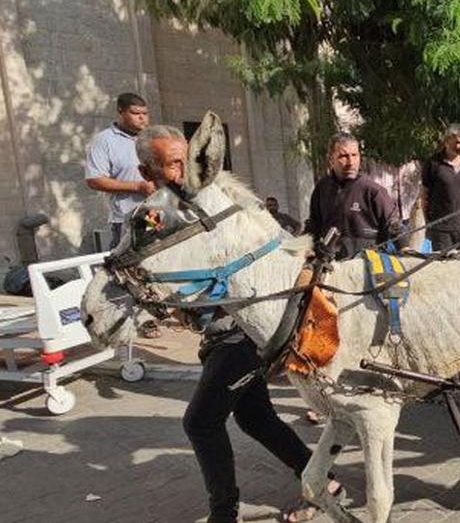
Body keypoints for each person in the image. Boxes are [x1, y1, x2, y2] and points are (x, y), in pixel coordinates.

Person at [134, 124, 340, 523]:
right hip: (217, 334)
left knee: (200, 422)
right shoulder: (161, 216)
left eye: (186, 160)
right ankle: (324, 481)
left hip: (243, 333)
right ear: (148, 173)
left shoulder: (219, 201)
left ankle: (223, 514)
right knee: (255, 416)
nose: (186, 171)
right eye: (174, 165)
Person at [84, 92, 161, 339]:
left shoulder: (152, 139)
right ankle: (124, 317)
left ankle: (154, 312)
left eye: (145, 114)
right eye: (136, 114)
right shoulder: (104, 141)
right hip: (126, 218)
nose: (142, 119)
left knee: (156, 260)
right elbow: (94, 179)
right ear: (120, 112)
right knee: (126, 267)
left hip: (154, 214)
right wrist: (137, 187)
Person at [306, 133, 404, 260]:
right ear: (330, 159)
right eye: (343, 156)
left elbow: (394, 225)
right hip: (330, 267)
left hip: (366, 268)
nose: (351, 162)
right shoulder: (322, 188)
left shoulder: (373, 191)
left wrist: (405, 248)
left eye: (354, 155)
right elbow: (314, 225)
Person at [421, 124, 460, 251]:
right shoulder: (433, 164)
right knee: (445, 267)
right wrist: (429, 222)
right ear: (447, 141)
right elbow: (424, 196)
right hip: (442, 231)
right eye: (458, 143)